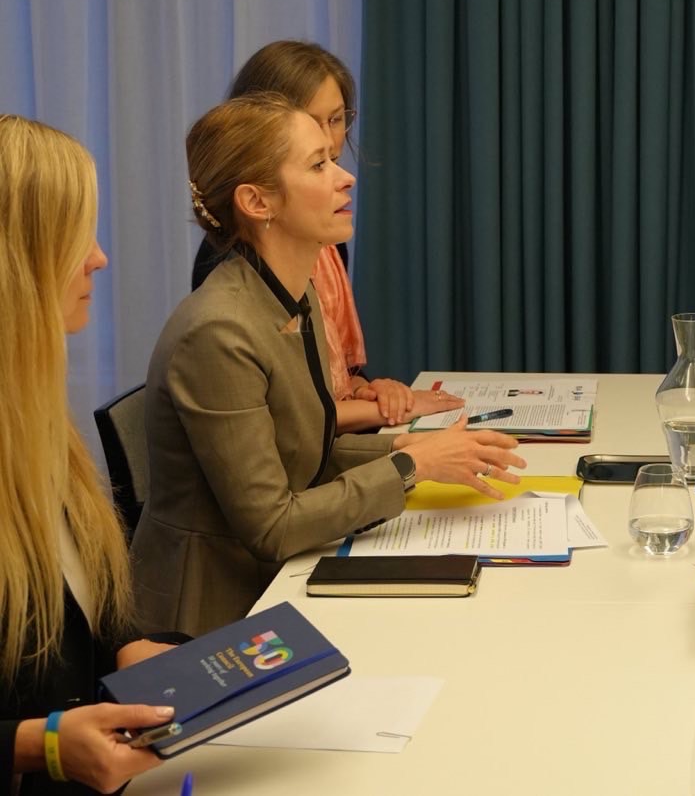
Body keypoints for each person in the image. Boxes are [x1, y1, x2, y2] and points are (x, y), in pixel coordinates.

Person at [132, 95, 527, 635]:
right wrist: (412, 465)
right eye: (318, 165)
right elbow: (272, 525)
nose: (346, 178)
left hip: (278, 578)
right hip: (212, 611)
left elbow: (306, 453)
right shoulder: (218, 332)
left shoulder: (295, 296)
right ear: (257, 201)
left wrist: (412, 447)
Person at [0, 116, 178, 794]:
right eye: (79, 238)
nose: (99, 258)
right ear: (21, 258)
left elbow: (80, 593)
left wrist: (127, 644)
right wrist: (38, 746)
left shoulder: (31, 411)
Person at [192, 40, 454, 430]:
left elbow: (334, 379)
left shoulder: (325, 237)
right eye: (311, 123)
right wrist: (401, 433)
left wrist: (370, 389)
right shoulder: (228, 275)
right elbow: (286, 419)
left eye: (336, 119)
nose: (331, 142)